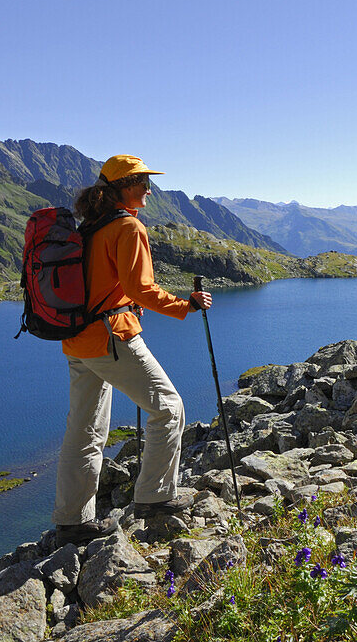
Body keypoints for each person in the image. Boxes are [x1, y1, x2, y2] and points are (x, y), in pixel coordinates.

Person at [52, 154, 212, 545]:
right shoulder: (128, 227)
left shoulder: (90, 227)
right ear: (122, 188)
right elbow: (140, 288)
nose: (148, 189)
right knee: (169, 408)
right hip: (112, 337)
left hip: (77, 341)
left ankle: (72, 520)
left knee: (84, 428)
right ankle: (155, 498)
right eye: (141, 182)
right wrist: (185, 305)